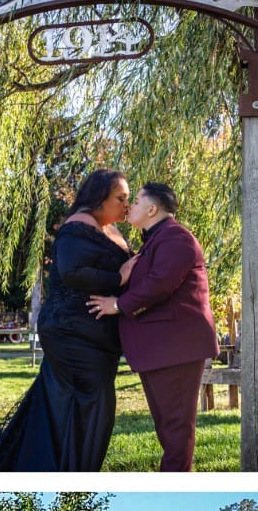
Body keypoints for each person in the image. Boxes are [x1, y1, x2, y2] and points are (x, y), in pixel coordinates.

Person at [0, 169, 131, 471]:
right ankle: (72, 472)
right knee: (94, 406)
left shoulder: (106, 228)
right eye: (120, 198)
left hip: (93, 335)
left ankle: (51, 467)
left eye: (129, 199)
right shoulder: (77, 227)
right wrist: (119, 276)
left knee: (63, 404)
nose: (126, 205)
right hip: (73, 333)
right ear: (99, 198)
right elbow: (72, 272)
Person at [87, 182, 218, 471]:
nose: (129, 206)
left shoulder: (176, 238)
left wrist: (117, 305)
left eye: (135, 201)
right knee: (167, 428)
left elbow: (160, 284)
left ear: (152, 208)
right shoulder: (155, 240)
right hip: (161, 350)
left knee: (175, 429)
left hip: (176, 348)